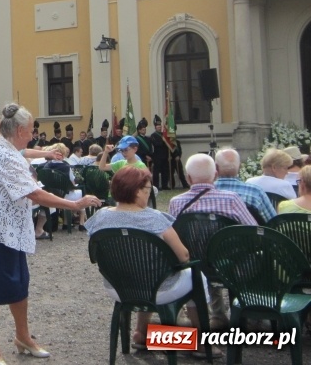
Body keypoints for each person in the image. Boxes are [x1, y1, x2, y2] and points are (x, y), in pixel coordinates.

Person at [0, 104, 101, 364]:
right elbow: (35, 193)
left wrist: (48, 153)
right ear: (19, 130)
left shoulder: (7, 147)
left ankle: (23, 337)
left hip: (10, 232)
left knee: (19, 286)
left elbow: (23, 150)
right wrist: (74, 205)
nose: (32, 134)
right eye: (30, 130)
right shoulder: (3, 155)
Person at [85, 165, 210, 357]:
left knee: (142, 270)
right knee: (197, 276)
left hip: (118, 288)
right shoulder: (155, 218)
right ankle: (200, 342)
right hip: (159, 289)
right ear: (136, 192)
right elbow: (183, 256)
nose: (148, 194)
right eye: (147, 190)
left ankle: (141, 334)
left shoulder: (100, 217)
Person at [167, 153, 256, 329]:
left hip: (193, 264)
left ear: (188, 178)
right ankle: (249, 314)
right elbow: (251, 230)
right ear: (215, 175)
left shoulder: (176, 202)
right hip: (230, 264)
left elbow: (172, 235)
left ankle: (217, 314)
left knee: (204, 253)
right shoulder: (231, 199)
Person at [214, 148, 276, 223]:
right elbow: (274, 222)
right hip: (249, 234)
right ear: (240, 166)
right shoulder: (255, 193)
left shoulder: (206, 194)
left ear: (216, 167)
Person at [149, 115, 171, 190]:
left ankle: (165, 185)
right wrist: (163, 141)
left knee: (165, 171)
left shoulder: (164, 135)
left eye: (160, 126)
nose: (159, 127)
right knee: (156, 172)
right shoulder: (153, 135)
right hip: (157, 156)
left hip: (165, 155)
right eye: (158, 126)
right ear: (155, 127)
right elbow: (156, 144)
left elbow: (168, 145)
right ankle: (156, 186)